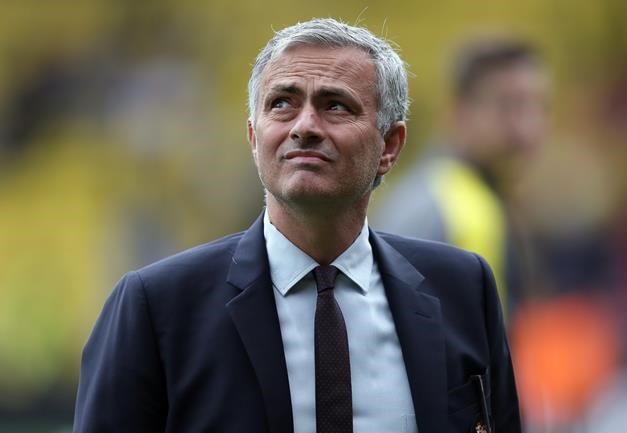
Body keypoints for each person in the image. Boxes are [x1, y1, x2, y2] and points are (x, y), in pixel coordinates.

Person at [73, 19, 521, 433]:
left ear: (389, 144)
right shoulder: (159, 309)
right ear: (254, 137)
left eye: (335, 105)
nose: (305, 126)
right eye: (282, 103)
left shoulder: (463, 288)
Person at [373, 38, 549, 313]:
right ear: (458, 112)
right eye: (507, 107)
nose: (527, 130)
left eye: (535, 107)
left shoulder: (475, 196)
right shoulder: (445, 207)